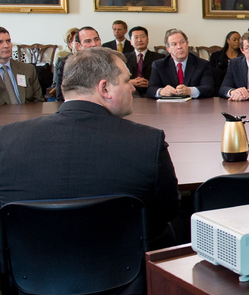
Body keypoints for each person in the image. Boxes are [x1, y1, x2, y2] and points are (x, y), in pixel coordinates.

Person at [0, 47, 180, 253]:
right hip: (125, 266)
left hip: (29, 267)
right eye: (126, 80)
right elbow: (168, 211)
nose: (132, 88)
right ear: (105, 88)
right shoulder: (148, 142)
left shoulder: (6, 139)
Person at [147, 28, 215, 99]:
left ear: (187, 44)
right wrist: (161, 91)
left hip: (194, 104)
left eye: (182, 42)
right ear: (168, 49)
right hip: (168, 105)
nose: (179, 47)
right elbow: (150, 90)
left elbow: (209, 89)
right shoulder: (159, 65)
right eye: (174, 44)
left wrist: (190, 91)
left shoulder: (202, 64)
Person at [55, 26, 103, 101]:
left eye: (96, 39)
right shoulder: (66, 64)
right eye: (88, 41)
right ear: (78, 45)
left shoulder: (110, 61)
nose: (94, 44)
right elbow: (61, 97)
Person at [0, 27, 44, 104]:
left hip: (28, 111)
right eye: (0, 42)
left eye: (8, 41)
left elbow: (39, 101)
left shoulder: (28, 69)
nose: (6, 45)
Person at [123, 25, 161, 97]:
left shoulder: (159, 58)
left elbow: (163, 79)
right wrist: (130, 82)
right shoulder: (123, 58)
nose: (139, 40)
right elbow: (118, 78)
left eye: (142, 37)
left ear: (148, 39)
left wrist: (151, 84)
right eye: (136, 37)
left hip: (150, 93)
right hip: (129, 93)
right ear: (130, 41)